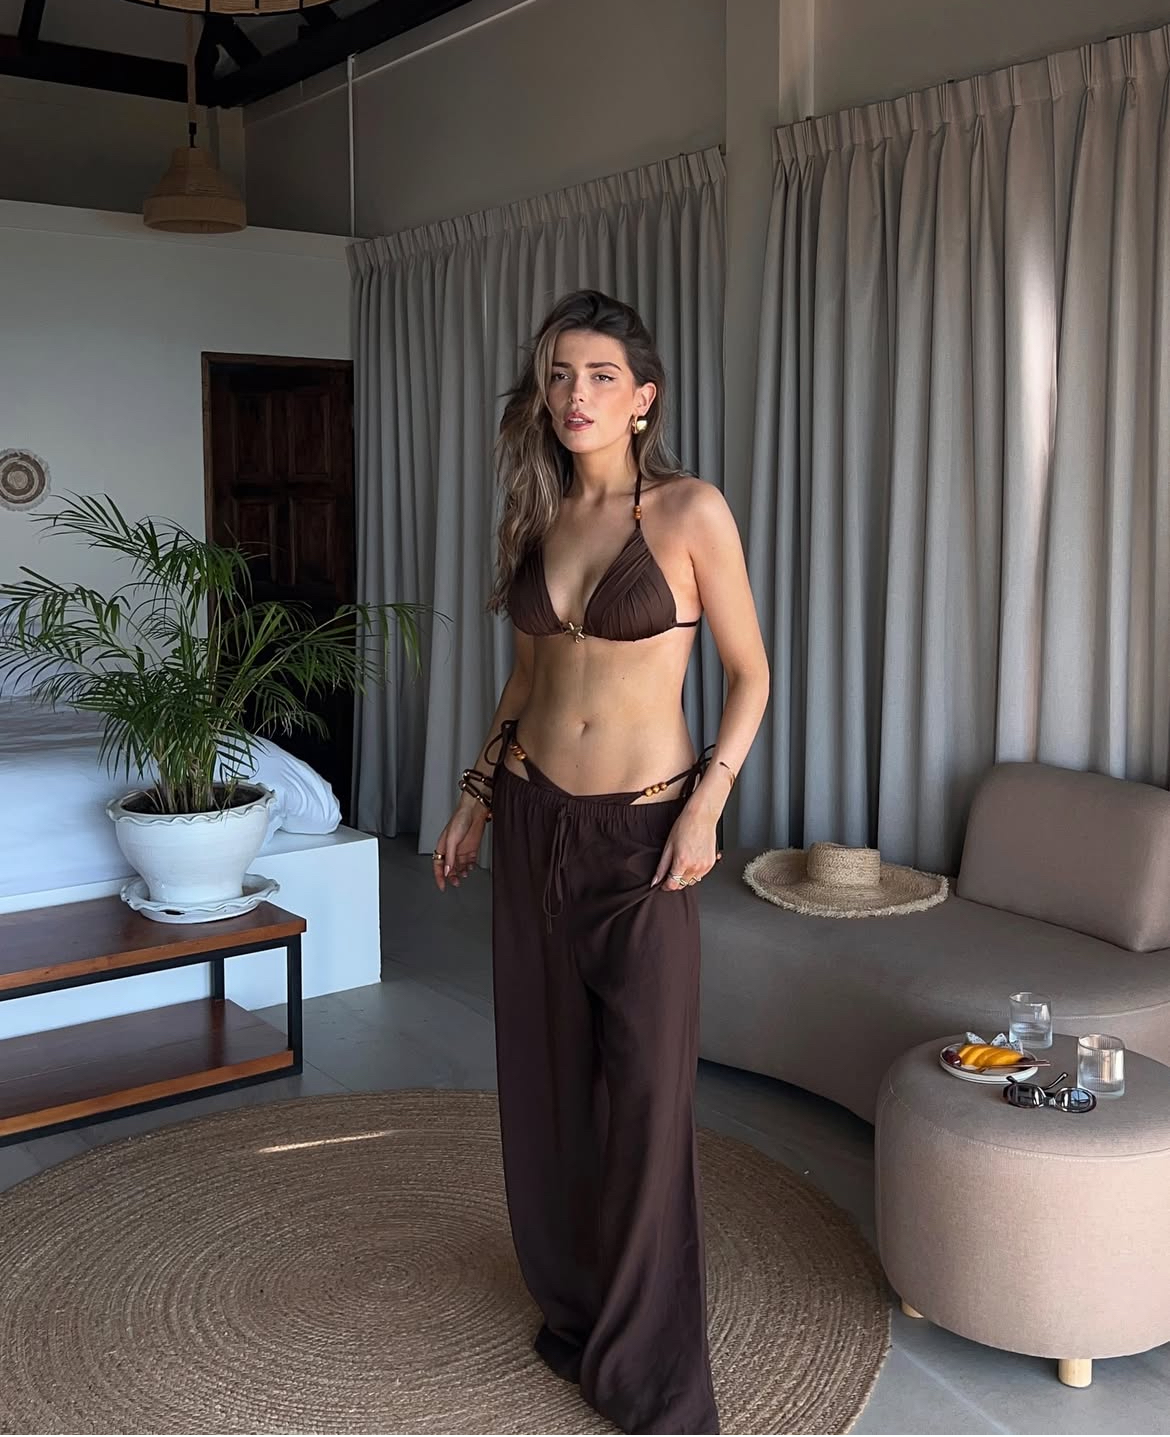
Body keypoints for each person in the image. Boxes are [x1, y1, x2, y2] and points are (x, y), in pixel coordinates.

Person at [432, 289, 769, 1434]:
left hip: (645, 838)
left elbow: (751, 674)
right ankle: (576, 1305)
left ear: (643, 399)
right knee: (547, 1085)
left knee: (646, 1097)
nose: (575, 395)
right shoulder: (536, 517)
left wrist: (707, 805)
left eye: (600, 376)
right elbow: (528, 683)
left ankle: (650, 1369)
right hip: (533, 821)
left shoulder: (688, 511)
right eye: (559, 374)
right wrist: (476, 796)